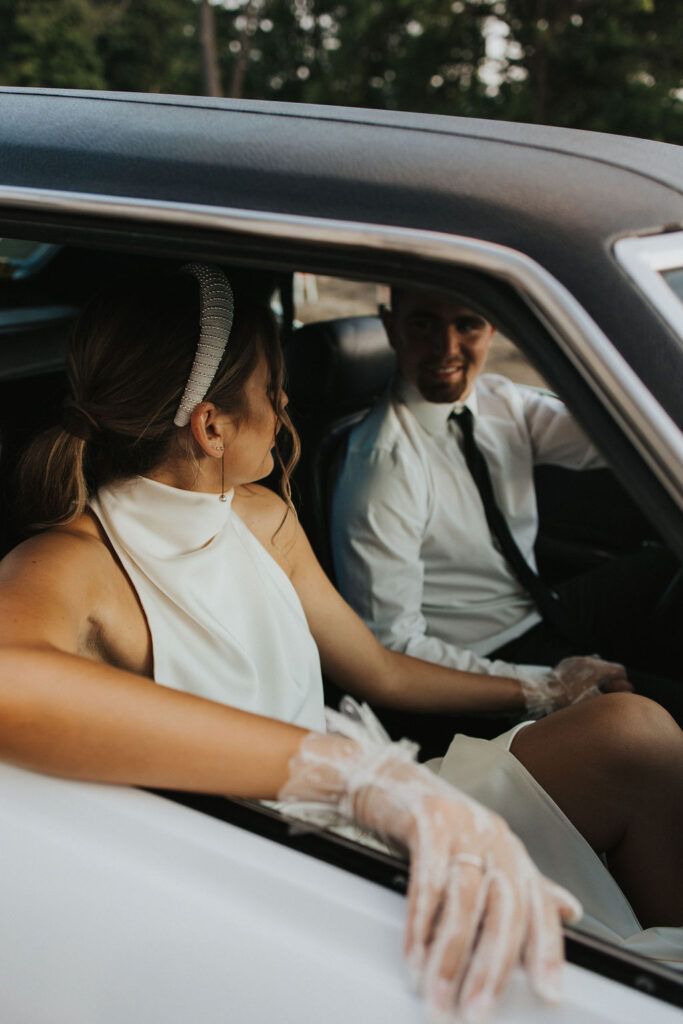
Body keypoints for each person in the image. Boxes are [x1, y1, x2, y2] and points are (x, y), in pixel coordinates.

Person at [0, 267, 679, 1020]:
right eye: (272, 389)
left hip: (379, 801)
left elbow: (379, 670)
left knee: (633, 730)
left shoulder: (259, 515)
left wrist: (543, 688)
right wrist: (352, 777)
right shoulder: (69, 562)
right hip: (276, 866)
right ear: (211, 426)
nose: (286, 405)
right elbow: (9, 682)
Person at [331, 285, 683, 722]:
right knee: (660, 711)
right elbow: (393, 648)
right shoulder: (382, 467)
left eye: (467, 325)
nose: (446, 347)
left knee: (673, 559)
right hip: (480, 658)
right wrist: (546, 687)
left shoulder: (500, 400)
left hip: (539, 606)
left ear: (491, 329)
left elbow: (617, 439)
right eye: (423, 324)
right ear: (391, 326)